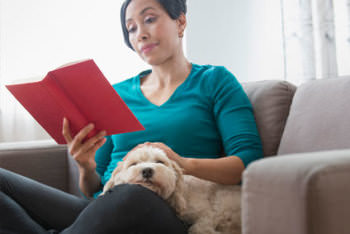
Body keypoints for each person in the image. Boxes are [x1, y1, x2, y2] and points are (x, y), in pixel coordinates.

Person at [0, 0, 263, 233]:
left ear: (180, 21)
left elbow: (247, 163)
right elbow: (95, 188)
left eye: (149, 19)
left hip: (175, 210)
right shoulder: (117, 94)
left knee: (132, 195)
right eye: (132, 28)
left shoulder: (215, 81)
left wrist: (182, 163)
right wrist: (86, 166)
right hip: (108, 209)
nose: (141, 34)